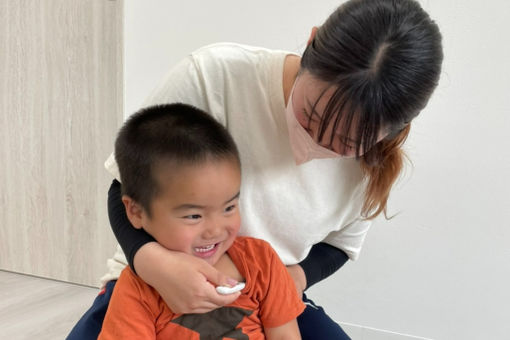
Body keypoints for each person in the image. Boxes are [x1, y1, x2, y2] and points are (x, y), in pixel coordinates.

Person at [68, 0, 443, 338]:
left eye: (345, 144)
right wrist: (155, 264)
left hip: (265, 289)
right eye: (310, 117)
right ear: (311, 44)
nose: (317, 145)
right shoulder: (215, 76)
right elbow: (126, 185)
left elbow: (340, 245)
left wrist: (288, 281)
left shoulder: (374, 162)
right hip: (154, 276)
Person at [97, 103, 304, 339]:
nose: (216, 230)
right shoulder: (136, 290)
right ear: (136, 212)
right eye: (194, 216)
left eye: (229, 207)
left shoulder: (262, 262)